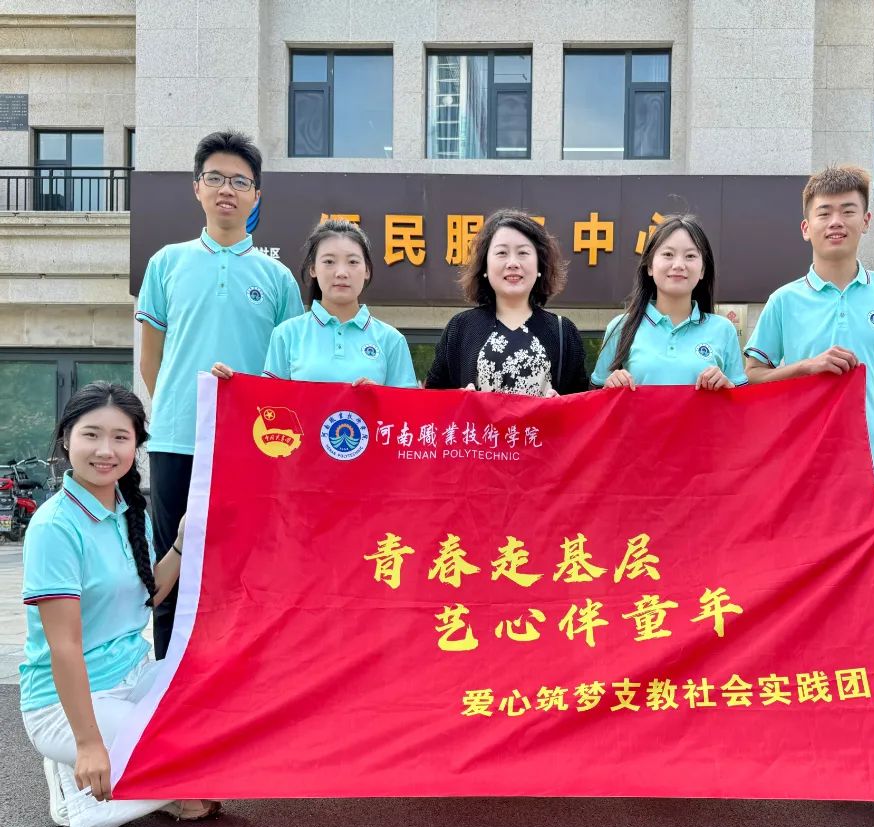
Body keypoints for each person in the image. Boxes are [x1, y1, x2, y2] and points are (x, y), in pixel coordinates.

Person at [20, 383, 218, 827]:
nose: (105, 450)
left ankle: (123, 777)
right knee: (197, 772)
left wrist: (182, 542)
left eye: (120, 437)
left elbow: (146, 595)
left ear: (136, 446)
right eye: (91, 435)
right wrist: (88, 743)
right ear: (66, 438)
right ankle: (79, 795)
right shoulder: (54, 527)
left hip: (135, 677)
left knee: (223, 726)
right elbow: (64, 647)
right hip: (67, 703)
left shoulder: (131, 512)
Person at [136, 130, 304, 658]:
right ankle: (169, 678)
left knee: (245, 568)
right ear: (197, 188)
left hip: (254, 446)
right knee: (173, 563)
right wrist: (182, 412)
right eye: (215, 178)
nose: (226, 189)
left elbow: (287, 373)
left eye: (239, 181)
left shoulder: (277, 278)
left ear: (256, 195)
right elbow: (150, 360)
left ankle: (237, 682)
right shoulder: (166, 263)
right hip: (177, 440)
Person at [743, 165, 874, 534]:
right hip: (802, 469)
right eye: (824, 213)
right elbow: (751, 377)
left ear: (866, 221)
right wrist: (806, 367)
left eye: (848, 210)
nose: (836, 222)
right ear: (806, 227)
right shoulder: (784, 300)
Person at [212, 219, 417, 387]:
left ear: (367, 271)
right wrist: (234, 387)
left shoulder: (391, 340)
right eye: (329, 261)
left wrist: (381, 399)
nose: (341, 272)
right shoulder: (287, 334)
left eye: (353, 262)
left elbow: (408, 413)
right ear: (313, 269)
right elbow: (269, 406)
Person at [425, 209, 587, 395]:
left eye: (523, 252)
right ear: (485, 266)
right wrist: (457, 399)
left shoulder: (563, 331)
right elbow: (432, 397)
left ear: (539, 265)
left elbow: (583, 402)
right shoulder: (460, 327)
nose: (512, 263)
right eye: (502, 252)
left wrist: (562, 404)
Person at [591, 213, 747, 391]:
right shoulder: (621, 327)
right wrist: (609, 387)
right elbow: (594, 400)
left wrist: (729, 389)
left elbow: (742, 404)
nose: (678, 265)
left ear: (703, 269)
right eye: (668, 254)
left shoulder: (723, 329)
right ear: (650, 266)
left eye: (690, 256)